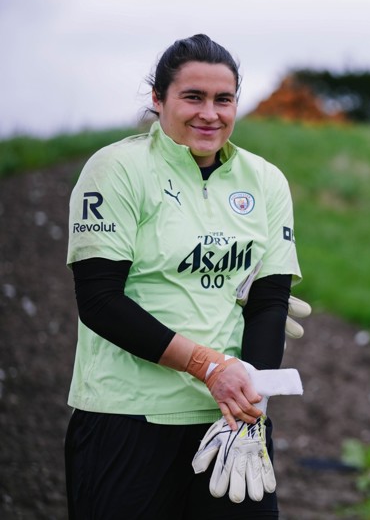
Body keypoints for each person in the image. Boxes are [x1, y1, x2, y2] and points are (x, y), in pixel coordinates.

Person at [64, 33, 302, 519]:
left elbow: (268, 300)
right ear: (158, 99)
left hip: (229, 419)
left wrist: (249, 404)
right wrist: (209, 367)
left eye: (224, 99)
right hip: (126, 418)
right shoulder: (117, 169)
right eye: (192, 97)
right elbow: (99, 302)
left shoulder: (265, 180)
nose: (209, 113)